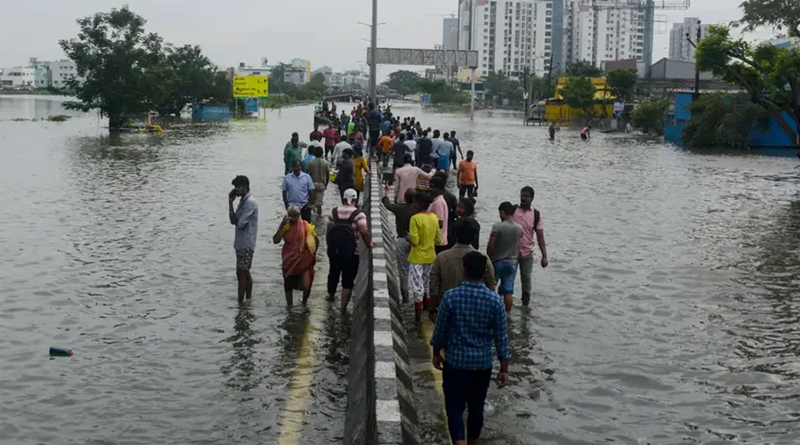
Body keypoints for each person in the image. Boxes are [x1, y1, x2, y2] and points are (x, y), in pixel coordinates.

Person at [430, 251, 510, 445]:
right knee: (476, 407)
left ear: (464, 271)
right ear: (484, 274)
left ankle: (459, 442)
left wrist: (436, 354)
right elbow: (502, 338)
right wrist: (504, 369)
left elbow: (440, 331)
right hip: (482, 364)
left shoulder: (450, 297)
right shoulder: (495, 301)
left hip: (456, 362)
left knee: (455, 408)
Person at [429, 220, 495, 318]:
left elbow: (434, 286)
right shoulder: (483, 258)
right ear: (475, 236)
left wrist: (433, 309)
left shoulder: (441, 257)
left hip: (447, 309)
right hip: (477, 310)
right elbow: (491, 284)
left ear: (455, 234)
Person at [327, 189, 373, 311]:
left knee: (333, 274)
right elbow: (363, 231)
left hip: (335, 251)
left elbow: (329, 230)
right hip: (352, 252)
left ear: (342, 199)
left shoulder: (333, 212)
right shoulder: (359, 214)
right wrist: (370, 244)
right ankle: (342, 309)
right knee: (348, 280)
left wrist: (329, 248)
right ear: (356, 200)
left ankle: (331, 298)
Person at [272, 205, 318, 306]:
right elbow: (276, 240)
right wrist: (281, 226)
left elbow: (316, 240)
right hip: (289, 261)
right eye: (290, 216)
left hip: (304, 260)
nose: (292, 219)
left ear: (299, 215)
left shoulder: (307, 227)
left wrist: (313, 255)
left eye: (295, 216)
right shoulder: (285, 227)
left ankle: (304, 303)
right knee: (288, 285)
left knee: (306, 286)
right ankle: (289, 307)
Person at [408, 191, 441, 322]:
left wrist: (408, 237)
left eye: (414, 202)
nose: (413, 204)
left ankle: (418, 318)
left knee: (417, 287)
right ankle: (428, 312)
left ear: (419, 204)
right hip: (430, 256)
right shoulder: (434, 218)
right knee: (427, 284)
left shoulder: (415, 219)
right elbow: (438, 240)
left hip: (417, 257)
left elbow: (415, 241)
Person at [512, 186, 548, 306]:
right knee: (508, 279)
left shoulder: (536, 215)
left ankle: (525, 306)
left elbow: (540, 237)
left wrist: (544, 256)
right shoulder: (512, 211)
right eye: (522, 195)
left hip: (527, 253)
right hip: (511, 252)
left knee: (526, 280)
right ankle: (505, 306)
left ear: (532, 198)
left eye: (526, 196)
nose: (523, 198)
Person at [382, 186, 417, 302]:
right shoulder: (418, 211)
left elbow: (386, 204)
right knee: (418, 270)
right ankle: (418, 297)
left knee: (403, 271)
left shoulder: (399, 208)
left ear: (405, 197)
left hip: (402, 240)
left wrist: (386, 192)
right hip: (417, 242)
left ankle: (406, 298)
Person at [486, 202, 522, 313]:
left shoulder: (498, 226)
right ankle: (507, 315)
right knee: (508, 291)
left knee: (491, 288)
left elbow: (491, 245)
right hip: (512, 262)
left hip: (497, 261)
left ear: (503, 212)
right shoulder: (519, 228)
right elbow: (518, 246)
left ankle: (489, 311)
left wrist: (488, 257)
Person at [229, 175, 258, 303]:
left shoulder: (250, 203)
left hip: (246, 243)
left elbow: (240, 224)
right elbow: (232, 221)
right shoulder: (242, 201)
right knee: (242, 273)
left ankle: (241, 303)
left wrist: (236, 219)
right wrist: (230, 203)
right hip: (240, 243)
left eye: (238, 187)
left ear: (245, 187)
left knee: (242, 273)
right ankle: (248, 300)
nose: (236, 190)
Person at [306, 146, 330, 216]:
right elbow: (328, 175)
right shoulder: (325, 163)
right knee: (319, 204)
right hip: (321, 184)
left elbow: (307, 175)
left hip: (312, 184)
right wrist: (326, 185)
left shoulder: (310, 163)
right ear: (322, 153)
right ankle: (319, 217)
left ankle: (311, 218)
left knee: (311, 202)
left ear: (314, 153)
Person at [429, 177, 449, 255]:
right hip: (440, 240)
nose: (431, 189)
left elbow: (440, 223)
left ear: (440, 189)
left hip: (437, 242)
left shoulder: (438, 203)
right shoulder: (438, 201)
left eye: (433, 187)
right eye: (430, 186)